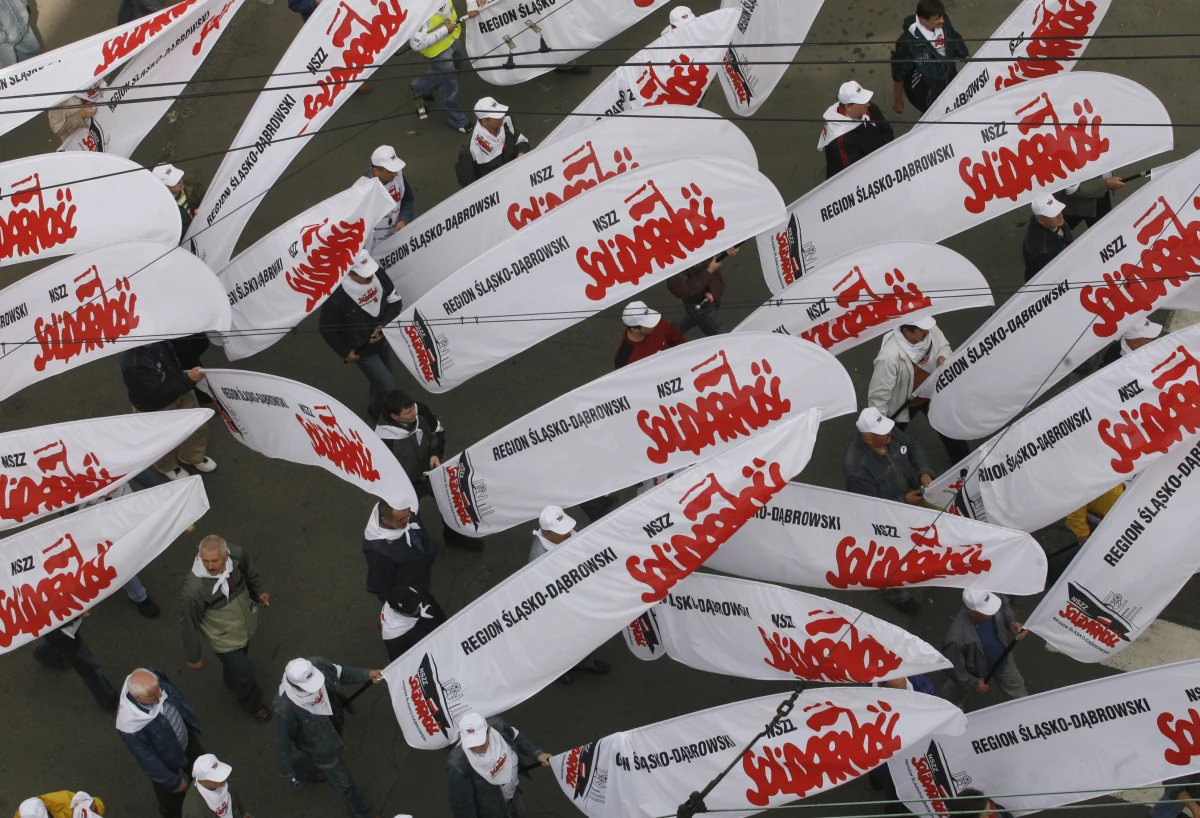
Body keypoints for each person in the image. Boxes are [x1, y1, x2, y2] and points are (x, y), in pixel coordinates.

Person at [843, 407, 935, 614]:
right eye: (883, 432)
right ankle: (895, 593)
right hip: (887, 519)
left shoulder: (889, 435)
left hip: (910, 501)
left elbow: (913, 447)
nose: (890, 433)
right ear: (868, 439)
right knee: (889, 553)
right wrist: (904, 500)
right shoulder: (856, 467)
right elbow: (871, 507)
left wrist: (923, 471)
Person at [275, 657, 384, 818]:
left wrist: (367, 674)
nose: (317, 688)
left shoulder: (318, 664)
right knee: (344, 784)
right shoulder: (285, 708)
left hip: (331, 727)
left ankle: (301, 769)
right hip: (322, 750)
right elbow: (283, 740)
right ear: (295, 685)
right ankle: (363, 814)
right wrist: (285, 770)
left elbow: (341, 673)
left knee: (310, 756)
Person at [181, 535, 272, 722]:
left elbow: (249, 573)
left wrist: (258, 593)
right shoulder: (194, 589)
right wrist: (193, 656)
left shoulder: (238, 554)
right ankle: (251, 703)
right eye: (205, 561)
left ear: (226, 555)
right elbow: (188, 622)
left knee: (239, 665)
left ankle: (232, 682)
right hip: (223, 639)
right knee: (247, 674)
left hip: (242, 625)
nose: (210, 566)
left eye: (214, 561)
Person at [376, 389, 482, 550]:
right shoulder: (384, 438)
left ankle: (455, 538)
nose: (414, 414)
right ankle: (422, 549)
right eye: (408, 412)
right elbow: (383, 468)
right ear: (394, 416)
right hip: (408, 484)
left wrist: (435, 454)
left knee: (451, 504)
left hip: (433, 473)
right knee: (411, 520)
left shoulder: (421, 411)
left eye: (412, 408)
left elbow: (437, 431)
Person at [868, 316, 969, 464]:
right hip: (904, 404)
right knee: (891, 439)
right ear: (906, 331)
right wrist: (879, 426)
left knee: (949, 430)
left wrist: (943, 356)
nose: (927, 333)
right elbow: (879, 395)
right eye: (921, 331)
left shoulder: (929, 329)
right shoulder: (889, 357)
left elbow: (943, 346)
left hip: (932, 394)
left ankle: (964, 462)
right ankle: (882, 465)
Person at [318, 250, 404, 423]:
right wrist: (344, 351)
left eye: (371, 272)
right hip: (361, 349)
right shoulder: (336, 297)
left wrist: (384, 325)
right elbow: (326, 328)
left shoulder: (377, 273)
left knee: (384, 378)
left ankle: (376, 402)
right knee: (388, 385)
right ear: (350, 273)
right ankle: (374, 415)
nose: (371, 278)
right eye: (366, 276)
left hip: (383, 339)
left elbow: (396, 301)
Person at [528, 506, 610, 683]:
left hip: (582, 598)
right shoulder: (537, 561)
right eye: (561, 532)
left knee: (586, 636)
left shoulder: (568, 533)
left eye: (566, 529)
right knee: (562, 643)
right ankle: (559, 670)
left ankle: (584, 661)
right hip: (561, 609)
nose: (567, 534)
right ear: (548, 534)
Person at [119, 341, 216, 480]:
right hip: (155, 408)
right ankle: (167, 466)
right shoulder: (132, 363)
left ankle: (193, 456)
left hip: (182, 392)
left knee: (197, 427)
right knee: (161, 441)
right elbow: (156, 395)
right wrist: (188, 380)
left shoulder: (158, 339)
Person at [116, 667, 205, 818]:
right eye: (153, 695)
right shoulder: (130, 726)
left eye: (158, 689)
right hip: (166, 761)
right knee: (171, 800)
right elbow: (147, 760)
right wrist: (173, 782)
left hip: (187, 741)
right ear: (138, 697)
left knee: (203, 775)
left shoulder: (153, 679)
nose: (160, 694)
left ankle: (206, 801)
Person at [447, 712, 552, 818]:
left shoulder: (498, 727)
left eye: (480, 742)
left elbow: (516, 736)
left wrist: (537, 753)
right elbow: (462, 806)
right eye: (472, 744)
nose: (477, 749)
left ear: (488, 730)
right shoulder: (458, 766)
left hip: (513, 796)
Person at [940, 589, 1028, 708]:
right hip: (973, 670)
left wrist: (1011, 622)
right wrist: (973, 682)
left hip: (1003, 658)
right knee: (952, 696)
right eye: (988, 611)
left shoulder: (989, 596)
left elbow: (1004, 607)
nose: (994, 611)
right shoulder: (955, 639)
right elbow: (953, 668)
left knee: (1017, 688)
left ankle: (1027, 708)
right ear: (972, 613)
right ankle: (946, 711)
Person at [362, 502, 447, 624]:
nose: (407, 520)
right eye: (401, 519)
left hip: (420, 573)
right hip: (411, 587)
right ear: (385, 520)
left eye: (408, 515)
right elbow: (380, 584)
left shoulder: (404, 513)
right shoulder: (378, 550)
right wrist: (404, 603)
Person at [890, 0, 969, 115]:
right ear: (922, 19)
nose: (942, 20)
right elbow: (899, 74)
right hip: (929, 91)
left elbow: (955, 38)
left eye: (942, 16)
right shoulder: (907, 43)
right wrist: (898, 101)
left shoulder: (944, 22)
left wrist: (966, 57)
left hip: (951, 79)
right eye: (936, 19)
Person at [409, 2, 476, 132]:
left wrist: (473, 4)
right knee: (450, 87)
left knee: (456, 68)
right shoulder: (420, 10)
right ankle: (457, 120)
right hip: (438, 52)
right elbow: (416, 44)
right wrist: (445, 30)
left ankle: (419, 86)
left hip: (453, 38)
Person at [32, 615, 118, 711]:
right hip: (63, 630)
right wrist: (78, 613)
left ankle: (45, 655)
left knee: (52, 638)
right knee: (88, 667)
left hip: (57, 627)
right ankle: (108, 700)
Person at [819, 81, 894, 179]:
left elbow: (886, 130)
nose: (868, 104)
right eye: (862, 101)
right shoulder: (840, 139)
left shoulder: (868, 108)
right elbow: (853, 172)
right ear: (848, 107)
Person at [455, 97, 530, 187]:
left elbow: (521, 141)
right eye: (497, 116)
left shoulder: (506, 123)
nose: (502, 116)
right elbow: (468, 184)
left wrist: (521, 154)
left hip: (517, 181)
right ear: (485, 122)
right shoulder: (469, 150)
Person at [667, 247, 739, 337]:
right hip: (699, 304)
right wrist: (709, 271)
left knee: (692, 317)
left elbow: (712, 243)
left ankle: (670, 331)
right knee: (718, 333)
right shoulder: (673, 260)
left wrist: (725, 248)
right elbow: (684, 289)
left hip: (713, 294)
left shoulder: (695, 239)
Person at [363, 146, 415, 250]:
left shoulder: (397, 174)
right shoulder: (362, 189)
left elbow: (407, 199)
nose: (395, 174)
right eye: (389, 171)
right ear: (376, 171)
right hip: (373, 250)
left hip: (396, 239)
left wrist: (403, 219)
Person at [615, 301, 686, 368]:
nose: (654, 324)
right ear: (635, 329)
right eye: (648, 324)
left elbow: (677, 339)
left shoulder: (659, 324)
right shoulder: (624, 359)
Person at [380, 585, 441, 662]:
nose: (417, 610)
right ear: (397, 611)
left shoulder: (415, 592)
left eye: (416, 603)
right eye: (411, 610)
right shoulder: (393, 636)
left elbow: (438, 612)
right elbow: (402, 662)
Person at [183, 753, 252, 818]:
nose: (223, 778)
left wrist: (243, 811)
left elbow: (233, 794)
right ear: (202, 782)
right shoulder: (194, 811)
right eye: (216, 777)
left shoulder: (219, 782)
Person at [1023, 194, 1073, 281]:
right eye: (1053, 214)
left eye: (1058, 210)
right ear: (1041, 220)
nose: (1060, 216)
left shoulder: (1045, 220)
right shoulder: (1043, 251)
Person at [153, 164, 206, 241]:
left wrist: (202, 209)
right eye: (174, 181)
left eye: (178, 177)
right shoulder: (162, 209)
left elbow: (206, 197)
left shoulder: (191, 182)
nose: (180, 182)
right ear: (163, 186)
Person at [1061, 174, 1126, 229]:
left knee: (1106, 232)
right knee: (1059, 236)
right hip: (1074, 204)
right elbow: (1069, 186)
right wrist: (1105, 184)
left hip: (1101, 194)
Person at [0, 0, 39, 69]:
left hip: (23, 26)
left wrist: (24, 8)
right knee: (10, 71)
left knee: (33, 54)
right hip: (3, 42)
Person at [15, 791, 106, 818]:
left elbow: (94, 804)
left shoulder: (65, 801)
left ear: (46, 807)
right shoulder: (23, 813)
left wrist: (95, 806)